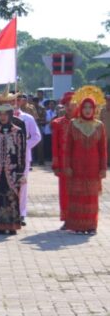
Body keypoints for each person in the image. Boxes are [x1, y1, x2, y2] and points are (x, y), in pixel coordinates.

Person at [63, 87, 108, 234]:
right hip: (76, 167)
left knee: (91, 197)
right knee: (77, 195)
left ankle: (91, 225)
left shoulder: (99, 126)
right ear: (81, 108)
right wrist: (67, 166)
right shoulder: (73, 124)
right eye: (85, 107)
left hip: (93, 168)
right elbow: (68, 148)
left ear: (94, 109)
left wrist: (103, 168)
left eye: (90, 107)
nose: (88, 110)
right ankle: (77, 225)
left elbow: (103, 149)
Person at [0, 99, 27, 235]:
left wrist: (20, 172)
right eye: (0, 114)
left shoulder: (18, 131)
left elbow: (21, 152)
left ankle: (12, 225)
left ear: (10, 115)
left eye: (5, 114)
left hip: (13, 171)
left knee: (12, 196)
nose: (2, 117)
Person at [12, 93, 42, 226]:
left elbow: (36, 136)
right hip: (6, 156)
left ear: (20, 102)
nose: (14, 103)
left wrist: (24, 146)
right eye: (11, 100)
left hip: (23, 156)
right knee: (7, 184)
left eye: (17, 100)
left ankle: (21, 213)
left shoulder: (27, 118)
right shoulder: (2, 117)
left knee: (22, 184)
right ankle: (8, 211)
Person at [51, 92, 76, 228]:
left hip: (79, 163)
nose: (69, 107)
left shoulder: (82, 123)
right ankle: (67, 220)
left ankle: (79, 219)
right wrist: (56, 165)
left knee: (79, 191)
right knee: (65, 192)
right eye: (66, 105)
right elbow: (55, 146)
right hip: (64, 163)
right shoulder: (58, 123)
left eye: (72, 104)